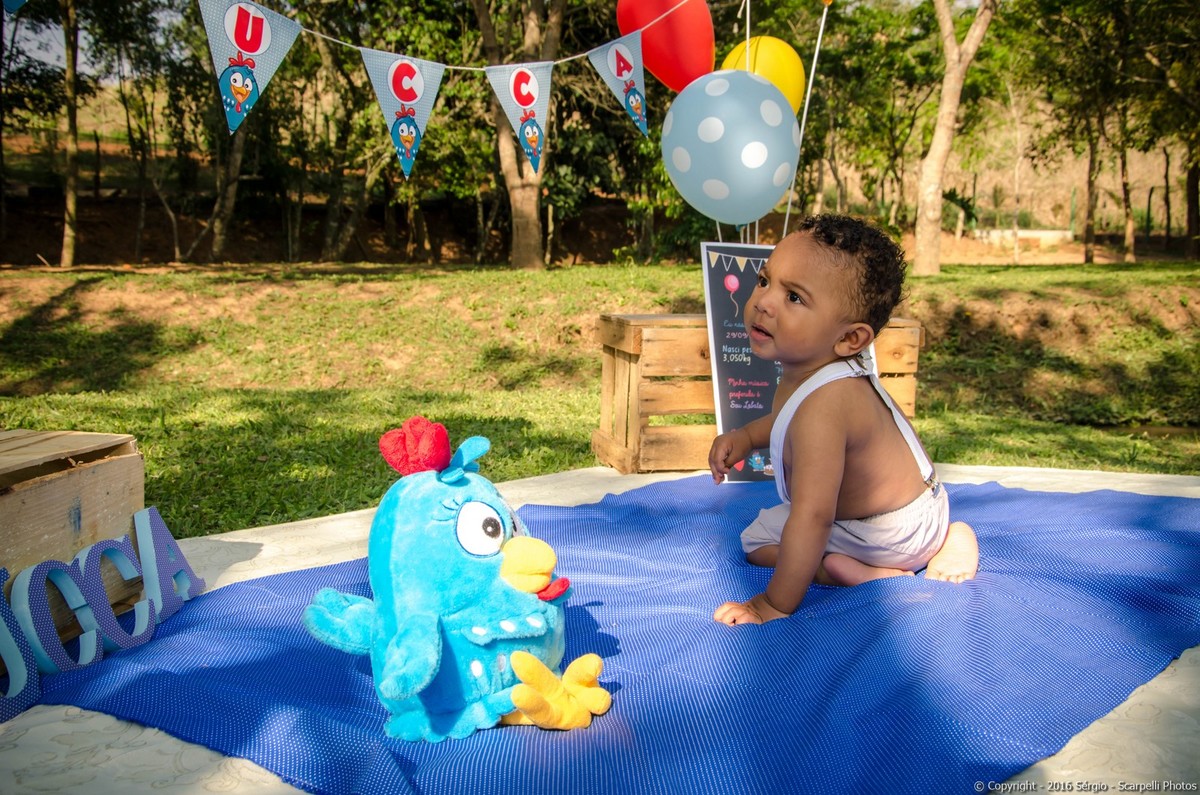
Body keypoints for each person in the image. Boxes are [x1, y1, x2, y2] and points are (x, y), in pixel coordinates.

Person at [708, 215, 979, 626]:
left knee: (781, 538)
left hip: (893, 531)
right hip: (893, 516)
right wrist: (746, 436)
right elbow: (785, 421)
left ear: (850, 339)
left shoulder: (827, 406)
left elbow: (813, 517)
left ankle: (926, 547)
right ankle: (856, 565)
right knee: (756, 538)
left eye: (794, 297)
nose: (763, 302)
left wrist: (773, 604)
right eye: (765, 281)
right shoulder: (812, 373)